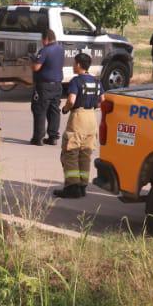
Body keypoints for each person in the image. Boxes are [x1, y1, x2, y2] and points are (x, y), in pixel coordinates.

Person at [53, 52, 102, 198]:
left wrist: (65, 109)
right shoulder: (97, 82)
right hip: (92, 118)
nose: (73, 66)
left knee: (71, 153)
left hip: (78, 118)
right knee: (85, 154)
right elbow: (102, 100)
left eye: (74, 63)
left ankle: (72, 187)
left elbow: (72, 100)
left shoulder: (76, 81)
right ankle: (82, 186)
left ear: (79, 65)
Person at [30, 29, 64, 145]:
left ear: (46, 39)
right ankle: (53, 137)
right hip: (57, 85)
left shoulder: (44, 50)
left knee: (40, 110)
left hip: (44, 86)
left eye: (42, 40)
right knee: (54, 111)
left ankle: (38, 138)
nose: (42, 42)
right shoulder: (60, 49)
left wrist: (33, 60)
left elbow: (36, 67)